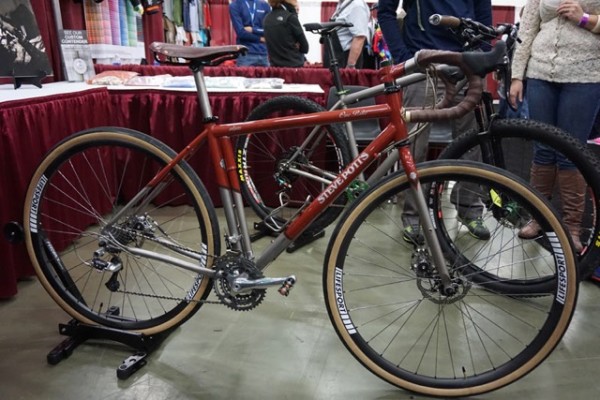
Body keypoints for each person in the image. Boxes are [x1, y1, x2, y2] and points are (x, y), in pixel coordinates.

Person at [377, 0, 493, 244]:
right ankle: (413, 216)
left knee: (471, 143)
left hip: (466, 62)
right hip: (423, 65)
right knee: (413, 144)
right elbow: (385, 11)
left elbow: (483, 14)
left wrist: (481, 55)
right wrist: (403, 56)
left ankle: (469, 208)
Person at [509, 0, 600, 253]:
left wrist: (584, 18)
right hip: (540, 75)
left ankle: (572, 227)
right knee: (543, 149)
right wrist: (517, 76)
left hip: (585, 77)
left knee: (571, 153)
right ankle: (538, 216)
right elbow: (527, 30)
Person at [263, 0, 309, 67]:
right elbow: (305, 47)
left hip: (275, 67)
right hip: (293, 66)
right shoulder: (290, 18)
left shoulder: (266, 19)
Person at [229, 0, 271, 67]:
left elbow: (269, 30)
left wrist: (253, 30)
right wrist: (260, 38)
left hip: (263, 54)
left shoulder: (265, 5)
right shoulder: (235, 5)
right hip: (245, 54)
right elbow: (241, 33)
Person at [331, 0, 371, 68]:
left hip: (345, 59)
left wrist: (350, 66)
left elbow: (359, 37)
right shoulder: (343, 5)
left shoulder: (357, 5)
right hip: (336, 57)